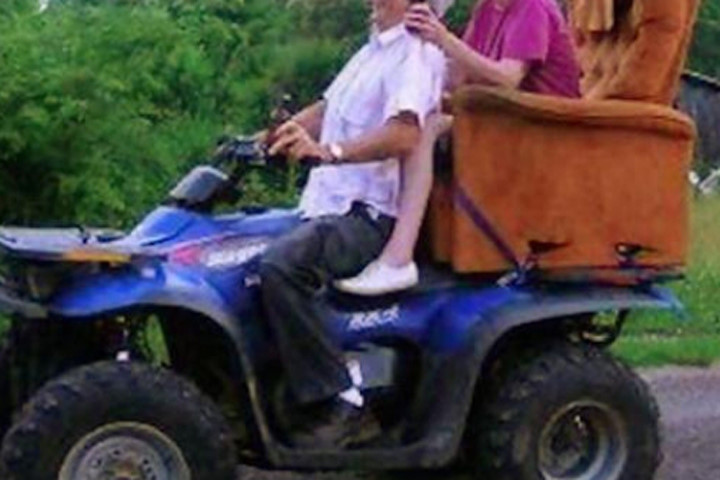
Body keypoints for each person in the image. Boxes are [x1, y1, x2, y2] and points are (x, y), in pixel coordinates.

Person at [259, 0, 445, 448]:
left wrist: (329, 152)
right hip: (325, 205)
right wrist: (272, 137)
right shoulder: (371, 51)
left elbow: (405, 133)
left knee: (283, 265)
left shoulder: (415, 55)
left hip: (366, 215)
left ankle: (342, 400)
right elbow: (327, 110)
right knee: (237, 252)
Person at [335, 0, 582, 295]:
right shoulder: (488, 9)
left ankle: (398, 259)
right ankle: (363, 222)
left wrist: (442, 38)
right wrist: (414, 63)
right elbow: (459, 76)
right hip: (502, 122)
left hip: (543, 131)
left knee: (424, 131)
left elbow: (507, 78)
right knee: (410, 118)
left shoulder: (533, 7)